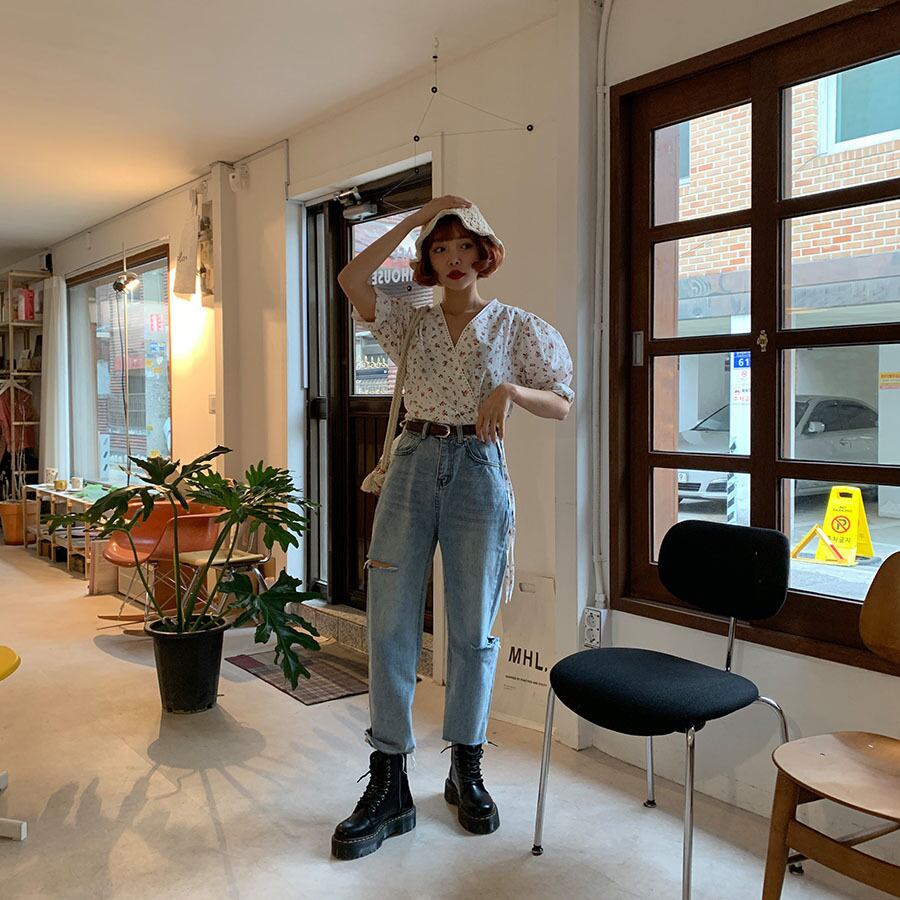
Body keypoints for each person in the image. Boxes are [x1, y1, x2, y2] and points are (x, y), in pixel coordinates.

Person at [332, 195, 574, 860]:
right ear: (429, 261)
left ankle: (466, 767)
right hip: (412, 463)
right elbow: (351, 278)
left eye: (466, 246)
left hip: (479, 469)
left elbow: (561, 401)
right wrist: (417, 218)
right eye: (441, 248)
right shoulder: (409, 321)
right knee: (390, 624)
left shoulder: (518, 327)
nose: (455, 258)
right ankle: (389, 782)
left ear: (485, 253)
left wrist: (512, 392)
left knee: (472, 629)